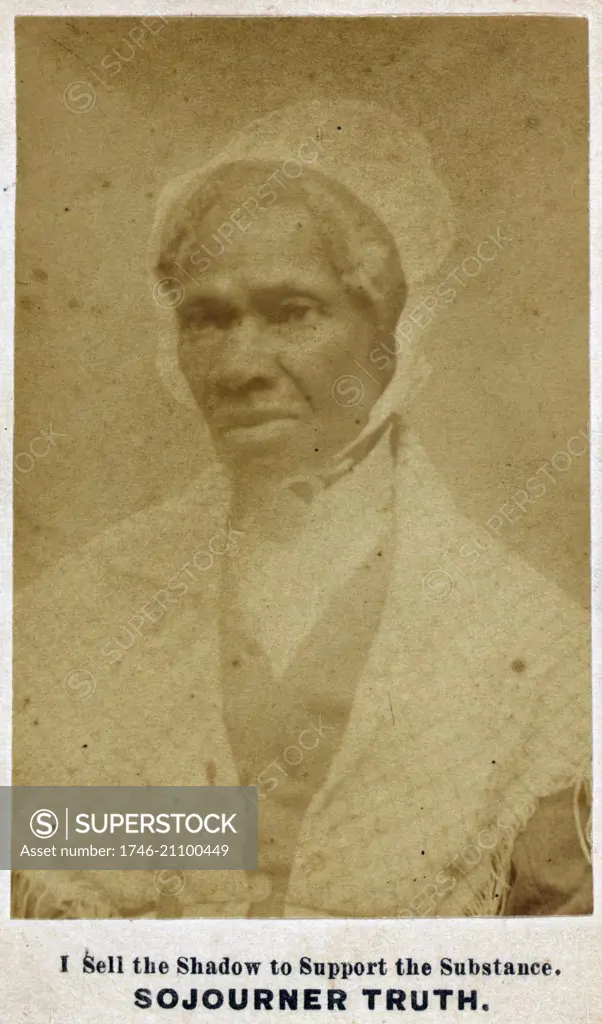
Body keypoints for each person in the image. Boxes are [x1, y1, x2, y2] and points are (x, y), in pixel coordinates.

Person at [12, 102, 591, 919]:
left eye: (293, 312)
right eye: (205, 320)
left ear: (389, 332)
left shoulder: (533, 650)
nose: (240, 365)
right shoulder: (72, 617)